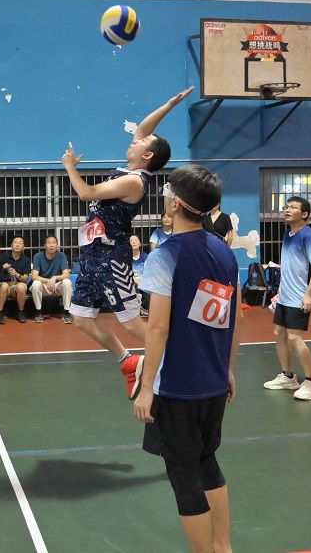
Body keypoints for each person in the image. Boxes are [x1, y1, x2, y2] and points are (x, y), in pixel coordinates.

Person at [133, 165, 241, 553]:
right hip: (213, 384)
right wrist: (228, 369)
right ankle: (223, 546)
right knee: (207, 461)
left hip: (177, 388)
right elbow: (235, 317)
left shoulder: (165, 255)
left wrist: (147, 387)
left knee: (183, 475)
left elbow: (157, 327)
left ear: (176, 203)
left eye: (167, 190)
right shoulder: (224, 252)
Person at [63, 88, 191, 398]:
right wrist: (169, 104)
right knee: (81, 318)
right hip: (92, 255)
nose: (135, 140)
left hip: (112, 257)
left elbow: (87, 193)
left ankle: (182, 363)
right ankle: (128, 361)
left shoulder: (135, 181)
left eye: (141, 143)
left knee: (132, 323)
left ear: (147, 156)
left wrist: (70, 167)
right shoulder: (130, 169)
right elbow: (144, 128)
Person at [263, 195, 311, 401]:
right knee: (279, 333)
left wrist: (308, 295)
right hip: (285, 296)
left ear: (304, 214)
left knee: (294, 338)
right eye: (286, 207)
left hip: (299, 297)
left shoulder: (308, 236)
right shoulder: (288, 234)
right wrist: (280, 292)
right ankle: (288, 377)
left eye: (293, 207)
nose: (287, 210)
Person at [30, 236, 73, 323]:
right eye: (49, 243)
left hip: (57, 286)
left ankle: (66, 312)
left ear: (57, 245)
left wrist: (55, 278)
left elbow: (66, 275)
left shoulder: (62, 256)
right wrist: (49, 281)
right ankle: (38, 311)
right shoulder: (38, 256)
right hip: (44, 285)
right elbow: (34, 276)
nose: (51, 245)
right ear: (44, 246)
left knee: (67, 282)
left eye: (53, 243)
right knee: (36, 284)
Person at [0, 235, 31, 323]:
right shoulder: (3, 256)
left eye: (20, 243)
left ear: (24, 247)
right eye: (15, 242)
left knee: (21, 287)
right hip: (3, 283)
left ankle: (21, 312)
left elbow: (25, 279)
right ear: (11, 245)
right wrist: (2, 268)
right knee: (4, 286)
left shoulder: (26, 260)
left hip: (16, 285)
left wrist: (16, 274)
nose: (17, 245)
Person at [130, 234, 149, 317]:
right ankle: (138, 309)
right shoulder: (126, 258)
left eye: (136, 240)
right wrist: (138, 282)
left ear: (140, 243)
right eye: (131, 241)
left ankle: (147, 308)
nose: (133, 242)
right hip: (133, 282)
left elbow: (149, 272)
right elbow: (128, 273)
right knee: (133, 286)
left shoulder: (146, 257)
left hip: (144, 281)